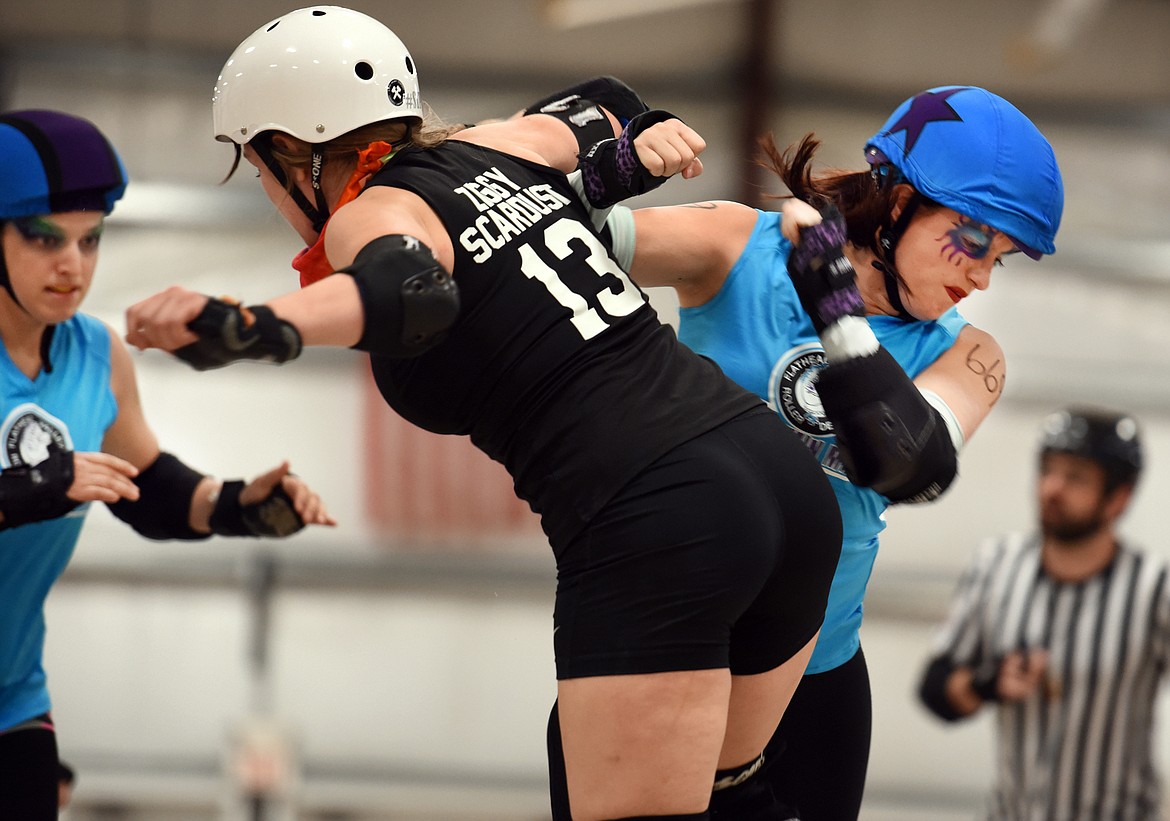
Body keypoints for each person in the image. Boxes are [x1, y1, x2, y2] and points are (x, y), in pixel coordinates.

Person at [122, 7, 844, 820]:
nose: (267, 191)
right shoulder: (496, 145)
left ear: (295, 152)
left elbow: (411, 297)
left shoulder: (373, 212)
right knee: (731, 801)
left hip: (658, 517)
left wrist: (248, 324)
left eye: (258, 168)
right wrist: (626, 150)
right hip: (775, 482)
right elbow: (602, 99)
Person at [591, 85, 1063, 819]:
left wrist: (838, 315)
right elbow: (546, 251)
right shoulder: (735, 245)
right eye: (972, 240)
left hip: (813, 686)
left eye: (997, 259)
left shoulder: (970, 354)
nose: (977, 276)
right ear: (899, 201)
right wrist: (605, 172)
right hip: (664, 653)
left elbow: (912, 465)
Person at [0, 108, 335, 820]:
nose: (74, 266)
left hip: (13, 701)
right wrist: (33, 486)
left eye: (91, 240)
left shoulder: (95, 352)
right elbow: (48, 487)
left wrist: (241, 504)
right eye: (42, 238)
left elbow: (148, 490)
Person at [917, 407, 1161, 821]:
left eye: (1076, 477)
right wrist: (985, 684)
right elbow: (936, 688)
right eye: (1048, 470)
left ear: (1118, 498)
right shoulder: (997, 565)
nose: (1052, 488)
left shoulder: (1154, 587)